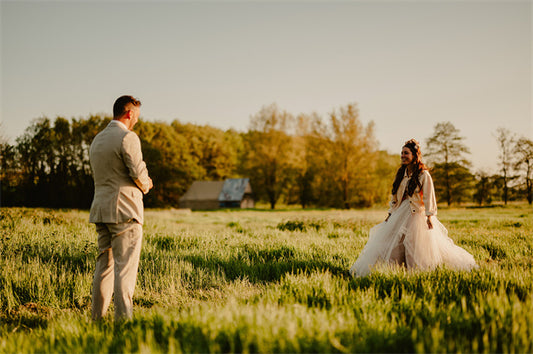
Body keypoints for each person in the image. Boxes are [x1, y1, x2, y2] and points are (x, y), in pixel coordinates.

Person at [349, 139, 477, 277]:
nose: (403, 156)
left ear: (415, 155)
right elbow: (395, 197)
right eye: (401, 153)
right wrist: (391, 213)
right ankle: (394, 270)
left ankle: (417, 273)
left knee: (414, 245)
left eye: (406, 153)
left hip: (417, 215)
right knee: (393, 242)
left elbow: (429, 196)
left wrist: (429, 216)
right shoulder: (401, 174)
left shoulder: (423, 175)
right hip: (400, 213)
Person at [89, 95, 153, 320]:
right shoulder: (128, 138)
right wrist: (147, 184)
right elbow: (137, 172)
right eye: (136, 116)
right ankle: (123, 324)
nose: (136, 121)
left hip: (101, 211)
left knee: (103, 269)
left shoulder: (97, 140)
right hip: (125, 212)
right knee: (124, 271)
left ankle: (96, 320)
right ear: (129, 114)